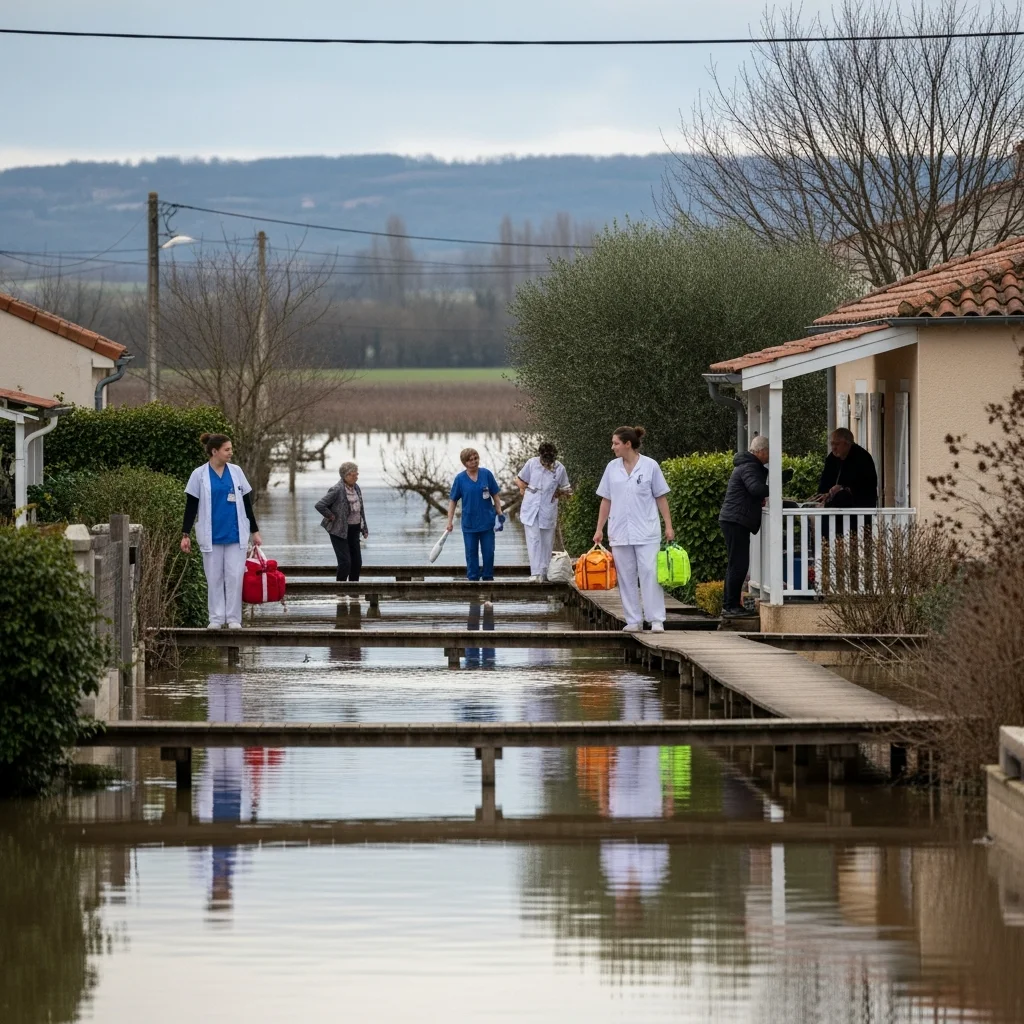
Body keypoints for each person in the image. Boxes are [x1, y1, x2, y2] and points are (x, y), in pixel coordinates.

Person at [592, 426, 675, 633]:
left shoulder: (650, 466)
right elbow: (606, 499)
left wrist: (668, 525)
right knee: (626, 576)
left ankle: (656, 619)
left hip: (647, 530)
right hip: (620, 530)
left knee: (649, 573)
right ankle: (633, 620)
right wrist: (599, 528)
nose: (613, 447)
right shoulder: (612, 468)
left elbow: (660, 497)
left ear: (628, 444)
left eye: (616, 443)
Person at [181, 433, 261, 630]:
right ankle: (216, 619)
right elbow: (191, 506)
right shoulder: (198, 474)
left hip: (235, 534)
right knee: (214, 577)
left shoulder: (236, 472)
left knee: (235, 577)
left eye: (231, 449)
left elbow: (246, 503)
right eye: (227, 449)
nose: (230, 453)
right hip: (211, 536)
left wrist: (255, 531)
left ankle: (234, 618)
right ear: (214, 451)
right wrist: (185, 534)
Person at [719, 435, 771, 618]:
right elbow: (756, 489)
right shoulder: (750, 466)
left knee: (736, 563)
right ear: (761, 451)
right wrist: (776, 486)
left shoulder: (747, 465)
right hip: (736, 521)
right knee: (739, 564)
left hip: (734, 519)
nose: (769, 456)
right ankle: (731, 606)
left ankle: (729, 604)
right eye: (768, 452)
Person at [516, 441, 571, 582]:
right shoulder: (532, 463)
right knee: (533, 539)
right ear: (540, 455)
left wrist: (559, 492)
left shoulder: (560, 468)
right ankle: (535, 573)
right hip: (531, 506)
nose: (547, 464)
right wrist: (524, 488)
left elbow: (567, 490)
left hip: (548, 507)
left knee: (547, 541)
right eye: (544, 461)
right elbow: (519, 479)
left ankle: (545, 571)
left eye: (549, 461)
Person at [446, 447, 503, 581]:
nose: (474, 462)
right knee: (471, 554)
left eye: (476, 458)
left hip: (487, 522)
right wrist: (449, 521)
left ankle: (488, 580)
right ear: (465, 463)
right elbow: (453, 500)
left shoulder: (486, 474)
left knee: (488, 553)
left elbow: (495, 495)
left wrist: (499, 513)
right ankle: (473, 581)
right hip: (469, 524)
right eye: (470, 460)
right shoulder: (460, 479)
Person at [315, 461, 369, 582]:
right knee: (345, 562)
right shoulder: (336, 490)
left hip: (354, 530)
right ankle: (340, 590)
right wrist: (331, 516)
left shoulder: (356, 488)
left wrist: (364, 527)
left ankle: (354, 590)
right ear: (347, 475)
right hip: (338, 530)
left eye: (357, 474)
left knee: (357, 562)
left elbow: (361, 509)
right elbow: (320, 505)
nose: (357, 477)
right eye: (355, 474)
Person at [815, 427, 878, 508]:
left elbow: (867, 486)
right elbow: (825, 481)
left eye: (837, 444)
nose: (833, 447)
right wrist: (824, 494)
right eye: (832, 444)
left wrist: (843, 488)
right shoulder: (832, 458)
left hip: (859, 509)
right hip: (834, 509)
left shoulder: (862, 458)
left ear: (848, 444)